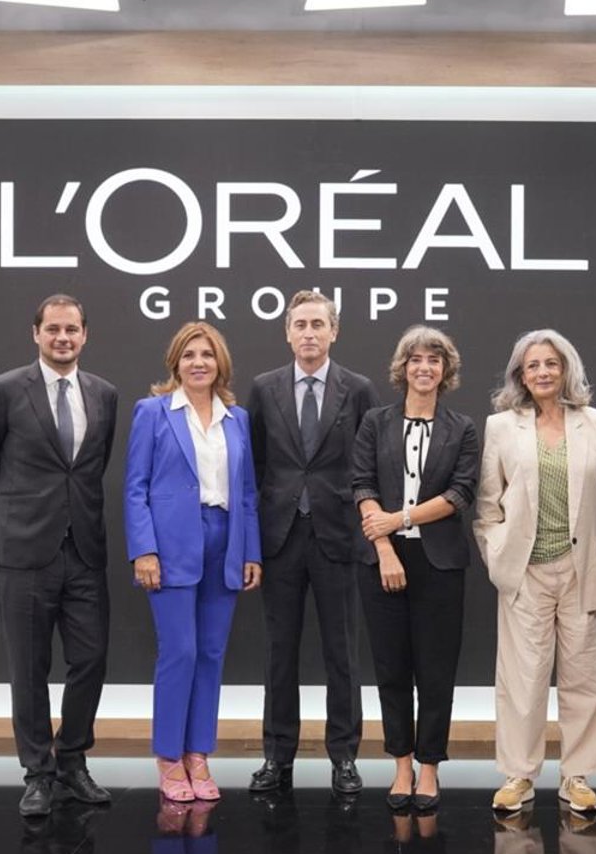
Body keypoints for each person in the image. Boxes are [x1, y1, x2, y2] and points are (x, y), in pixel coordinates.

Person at [0, 293, 119, 818]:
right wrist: (13, 513)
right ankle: (37, 773)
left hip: (84, 550)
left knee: (90, 660)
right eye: (53, 329)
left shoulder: (104, 394)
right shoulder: (5, 390)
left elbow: (92, 467)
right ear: (36, 333)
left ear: (85, 335)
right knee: (29, 668)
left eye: (71, 329)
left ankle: (72, 762)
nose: (62, 338)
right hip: (23, 553)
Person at [244, 290, 380, 795]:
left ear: (333, 331)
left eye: (317, 324)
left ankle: (344, 757)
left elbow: (368, 465)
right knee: (279, 653)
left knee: (342, 652)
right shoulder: (264, 388)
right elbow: (255, 465)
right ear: (287, 333)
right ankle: (276, 757)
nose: (308, 333)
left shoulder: (358, 389)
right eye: (300, 324)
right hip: (280, 536)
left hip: (338, 535)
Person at [474, 329, 596, 815]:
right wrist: (498, 557)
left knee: (586, 677)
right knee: (523, 680)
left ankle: (577, 776)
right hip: (525, 571)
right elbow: (487, 504)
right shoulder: (500, 427)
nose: (543, 372)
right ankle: (519, 775)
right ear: (520, 374)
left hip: (584, 569)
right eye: (533, 365)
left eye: (551, 363)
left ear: (566, 368)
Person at [125, 321, 262, 802]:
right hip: (171, 546)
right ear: (176, 364)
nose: (198, 363)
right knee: (179, 651)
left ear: (220, 364)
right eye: (189, 355)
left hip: (225, 541)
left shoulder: (237, 418)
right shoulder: (152, 412)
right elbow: (136, 487)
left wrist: (251, 551)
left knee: (211, 653)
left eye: (206, 355)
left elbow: (247, 493)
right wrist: (144, 549)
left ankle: (198, 753)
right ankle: (169, 756)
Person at [351, 325, 479, 813]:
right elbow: (361, 484)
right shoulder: (375, 422)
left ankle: (429, 767)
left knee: (436, 670)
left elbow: (460, 494)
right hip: (381, 560)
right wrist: (385, 547)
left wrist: (401, 518)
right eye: (416, 360)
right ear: (402, 368)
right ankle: (401, 765)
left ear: (446, 371)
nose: (424, 368)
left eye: (434, 360)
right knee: (391, 669)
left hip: (440, 563)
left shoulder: (462, 428)